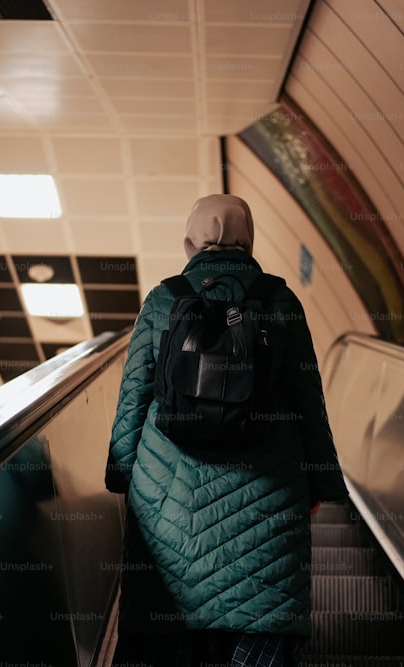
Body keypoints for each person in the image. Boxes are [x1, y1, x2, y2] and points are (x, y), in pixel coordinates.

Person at [105, 194, 348, 666]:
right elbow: (307, 400)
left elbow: (132, 398)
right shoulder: (280, 300)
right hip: (269, 501)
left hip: (167, 507)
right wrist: (319, 484)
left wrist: (123, 477)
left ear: (192, 239)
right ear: (247, 240)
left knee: (162, 643)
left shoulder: (163, 298)